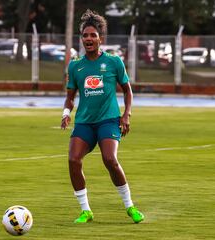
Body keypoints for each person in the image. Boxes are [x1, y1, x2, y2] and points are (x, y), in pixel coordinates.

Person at [61, 9, 144, 224]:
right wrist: (65, 113)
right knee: (73, 159)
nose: (88, 39)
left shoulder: (114, 62)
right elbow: (70, 97)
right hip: (85, 122)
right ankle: (86, 210)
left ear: (100, 39)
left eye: (93, 35)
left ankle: (130, 206)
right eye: (85, 36)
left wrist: (126, 115)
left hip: (108, 120)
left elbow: (127, 90)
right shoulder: (76, 65)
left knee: (110, 159)